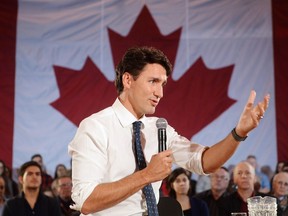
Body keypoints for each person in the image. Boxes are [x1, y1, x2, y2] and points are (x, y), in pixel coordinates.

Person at [68, 46, 270, 215]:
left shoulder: (158, 128)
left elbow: (205, 162)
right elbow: (87, 201)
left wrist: (239, 133)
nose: (160, 93)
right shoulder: (95, 127)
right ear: (128, 80)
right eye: (153, 82)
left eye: (163, 84)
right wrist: (147, 175)